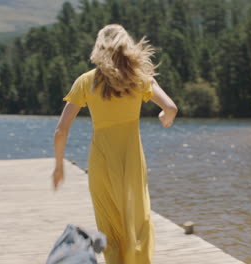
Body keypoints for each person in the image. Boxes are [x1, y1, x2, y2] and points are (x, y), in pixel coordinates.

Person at [52, 24, 178, 264]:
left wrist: (59, 166)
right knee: (137, 222)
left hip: (101, 161)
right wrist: (165, 118)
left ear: (99, 48)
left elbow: (61, 129)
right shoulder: (140, 80)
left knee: (109, 225)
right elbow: (170, 108)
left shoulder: (86, 81)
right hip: (131, 161)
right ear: (127, 47)